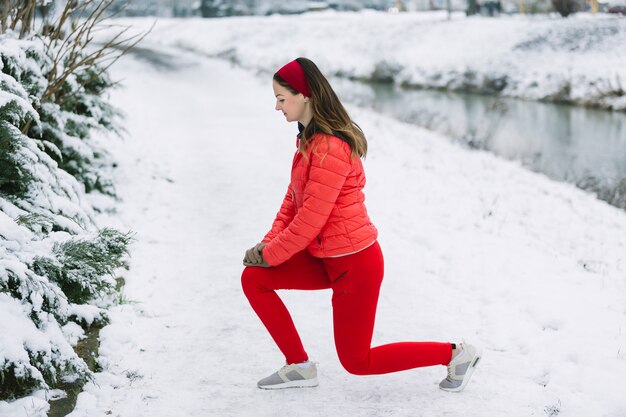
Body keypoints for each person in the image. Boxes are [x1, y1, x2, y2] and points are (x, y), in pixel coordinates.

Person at [241, 57, 481, 391]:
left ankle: (455, 355)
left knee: (358, 362)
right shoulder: (309, 140)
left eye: (282, 98)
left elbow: (310, 219)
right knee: (255, 278)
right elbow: (292, 204)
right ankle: (298, 366)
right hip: (325, 257)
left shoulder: (330, 148)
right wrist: (266, 246)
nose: (277, 106)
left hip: (354, 263)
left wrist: (272, 254)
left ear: (305, 95)